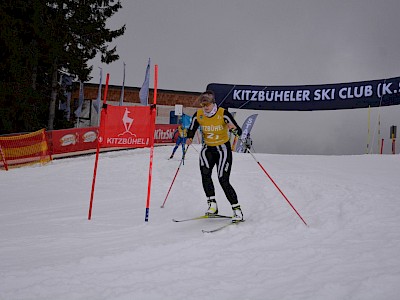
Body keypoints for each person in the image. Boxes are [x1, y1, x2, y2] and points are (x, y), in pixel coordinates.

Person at [186, 90, 244, 223]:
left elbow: (238, 131)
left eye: (207, 104)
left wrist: (233, 129)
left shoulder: (223, 113)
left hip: (223, 149)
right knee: (205, 174)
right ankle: (212, 205)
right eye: (203, 105)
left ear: (213, 104)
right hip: (208, 149)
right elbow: (192, 127)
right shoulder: (199, 114)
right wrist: (189, 137)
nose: (205, 107)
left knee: (223, 179)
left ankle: (237, 210)